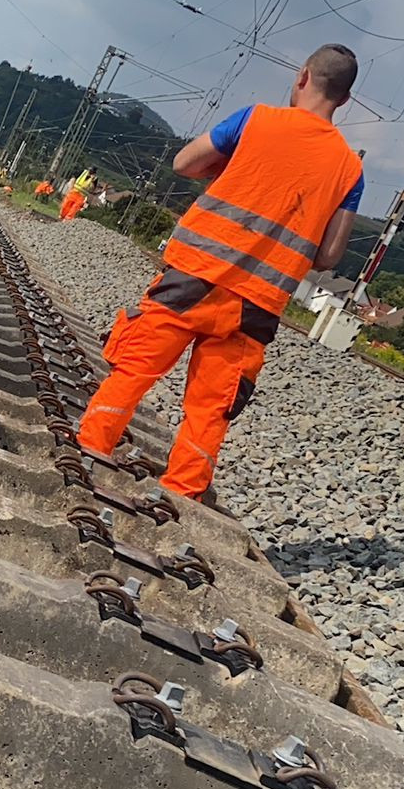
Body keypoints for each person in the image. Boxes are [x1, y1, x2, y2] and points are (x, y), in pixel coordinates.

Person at [77, 44, 364, 500]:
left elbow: (184, 163)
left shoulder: (255, 119)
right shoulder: (350, 169)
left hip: (194, 275)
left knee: (137, 366)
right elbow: (328, 257)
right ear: (344, 100)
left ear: (303, 76)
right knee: (213, 405)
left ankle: (91, 448)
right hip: (256, 303)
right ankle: (180, 496)